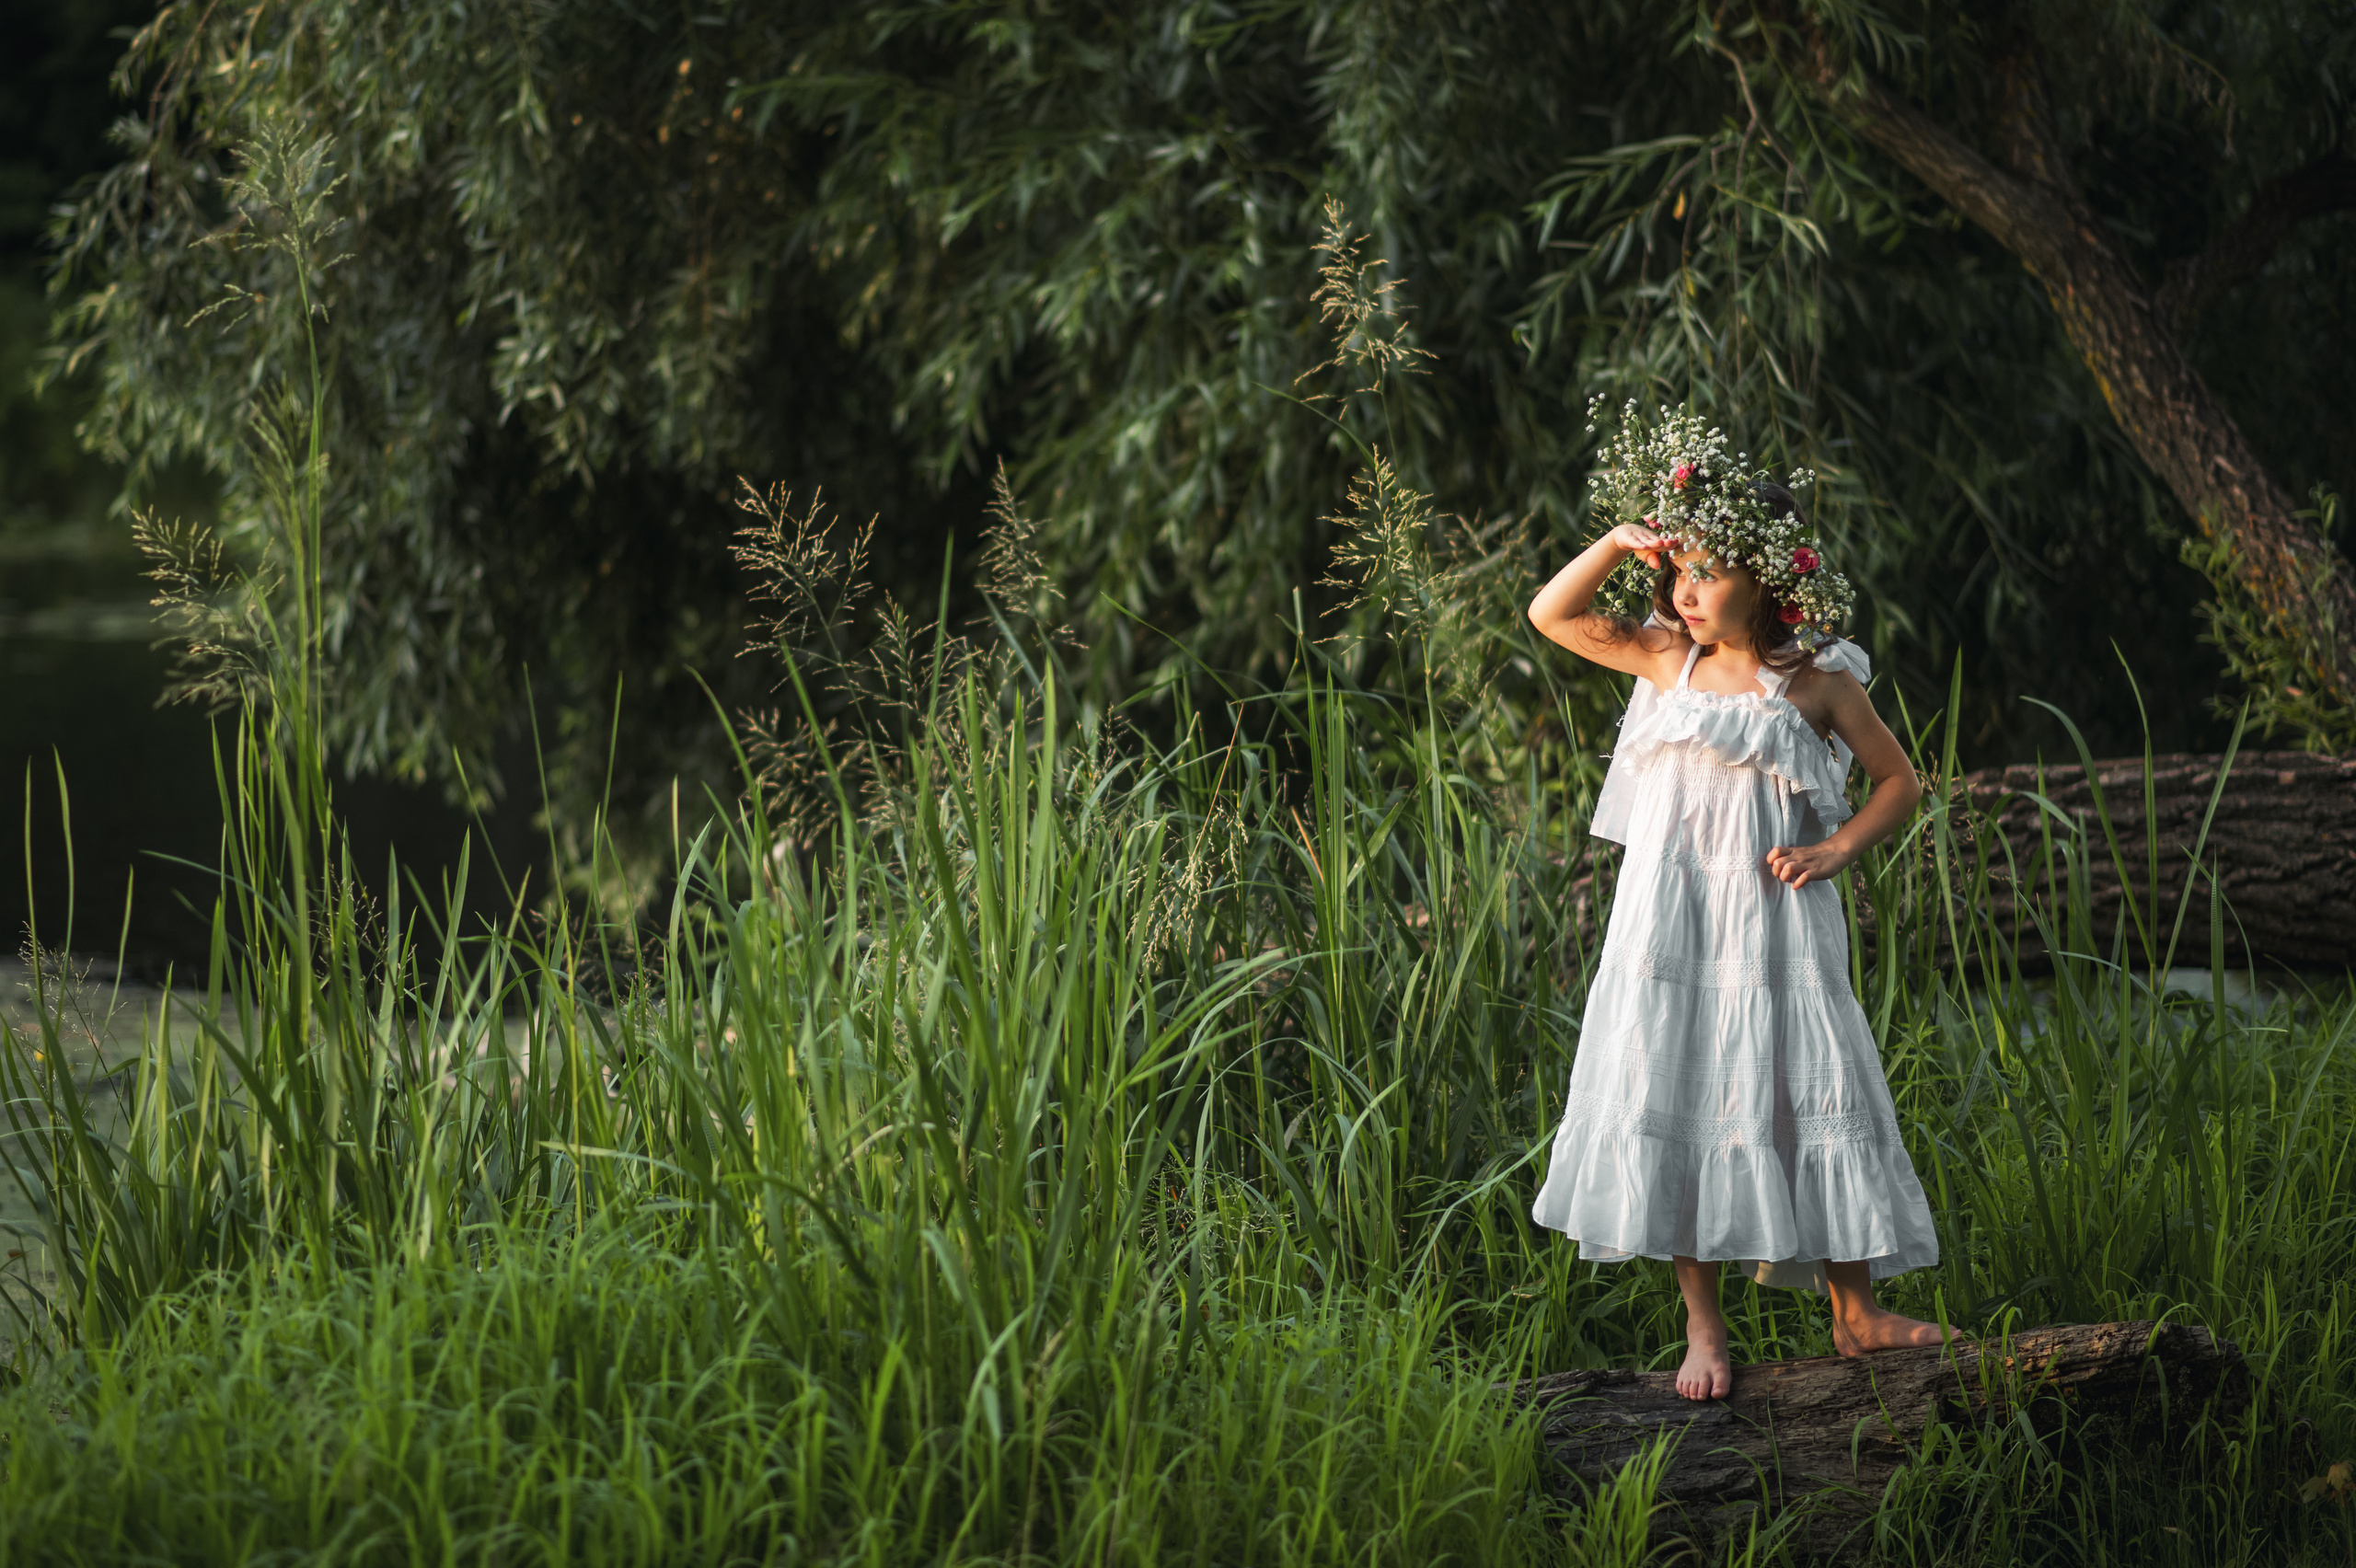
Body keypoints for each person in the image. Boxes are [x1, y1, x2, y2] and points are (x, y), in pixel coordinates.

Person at [1525, 405, 1952, 1401]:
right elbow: (1548, 613)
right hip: (1671, 921)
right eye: (1679, 568)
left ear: (1771, 578)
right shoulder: (1658, 657)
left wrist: (1838, 848)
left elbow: (1899, 783)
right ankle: (1703, 1328)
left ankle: (1855, 1311)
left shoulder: (1813, 682)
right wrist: (1613, 541)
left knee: (1808, 1082)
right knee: (1683, 1085)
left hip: (1773, 922)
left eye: (1710, 570)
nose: (1687, 586)